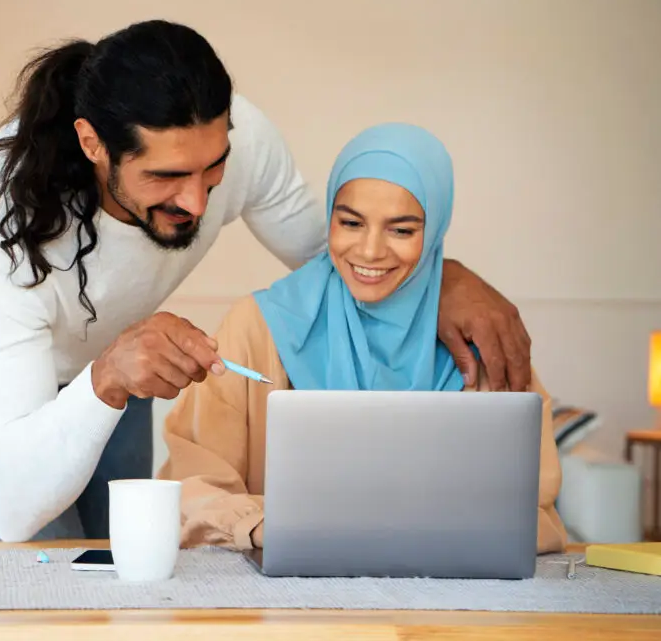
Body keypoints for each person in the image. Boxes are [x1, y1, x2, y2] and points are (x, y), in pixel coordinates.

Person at [0, 19, 535, 543]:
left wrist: (444, 275)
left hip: (111, 356)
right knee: (48, 581)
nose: (194, 201)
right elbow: (13, 508)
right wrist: (107, 375)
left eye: (211, 169)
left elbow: (340, 255)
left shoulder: (243, 141)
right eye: (166, 176)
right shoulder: (12, 230)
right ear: (93, 144)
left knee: (128, 561)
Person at [156, 122, 568, 555]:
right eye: (350, 222)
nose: (370, 251)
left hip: (446, 601)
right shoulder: (259, 327)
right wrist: (259, 527)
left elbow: (533, 506)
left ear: (434, 233)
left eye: (402, 230)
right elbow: (191, 483)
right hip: (287, 597)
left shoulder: (483, 341)